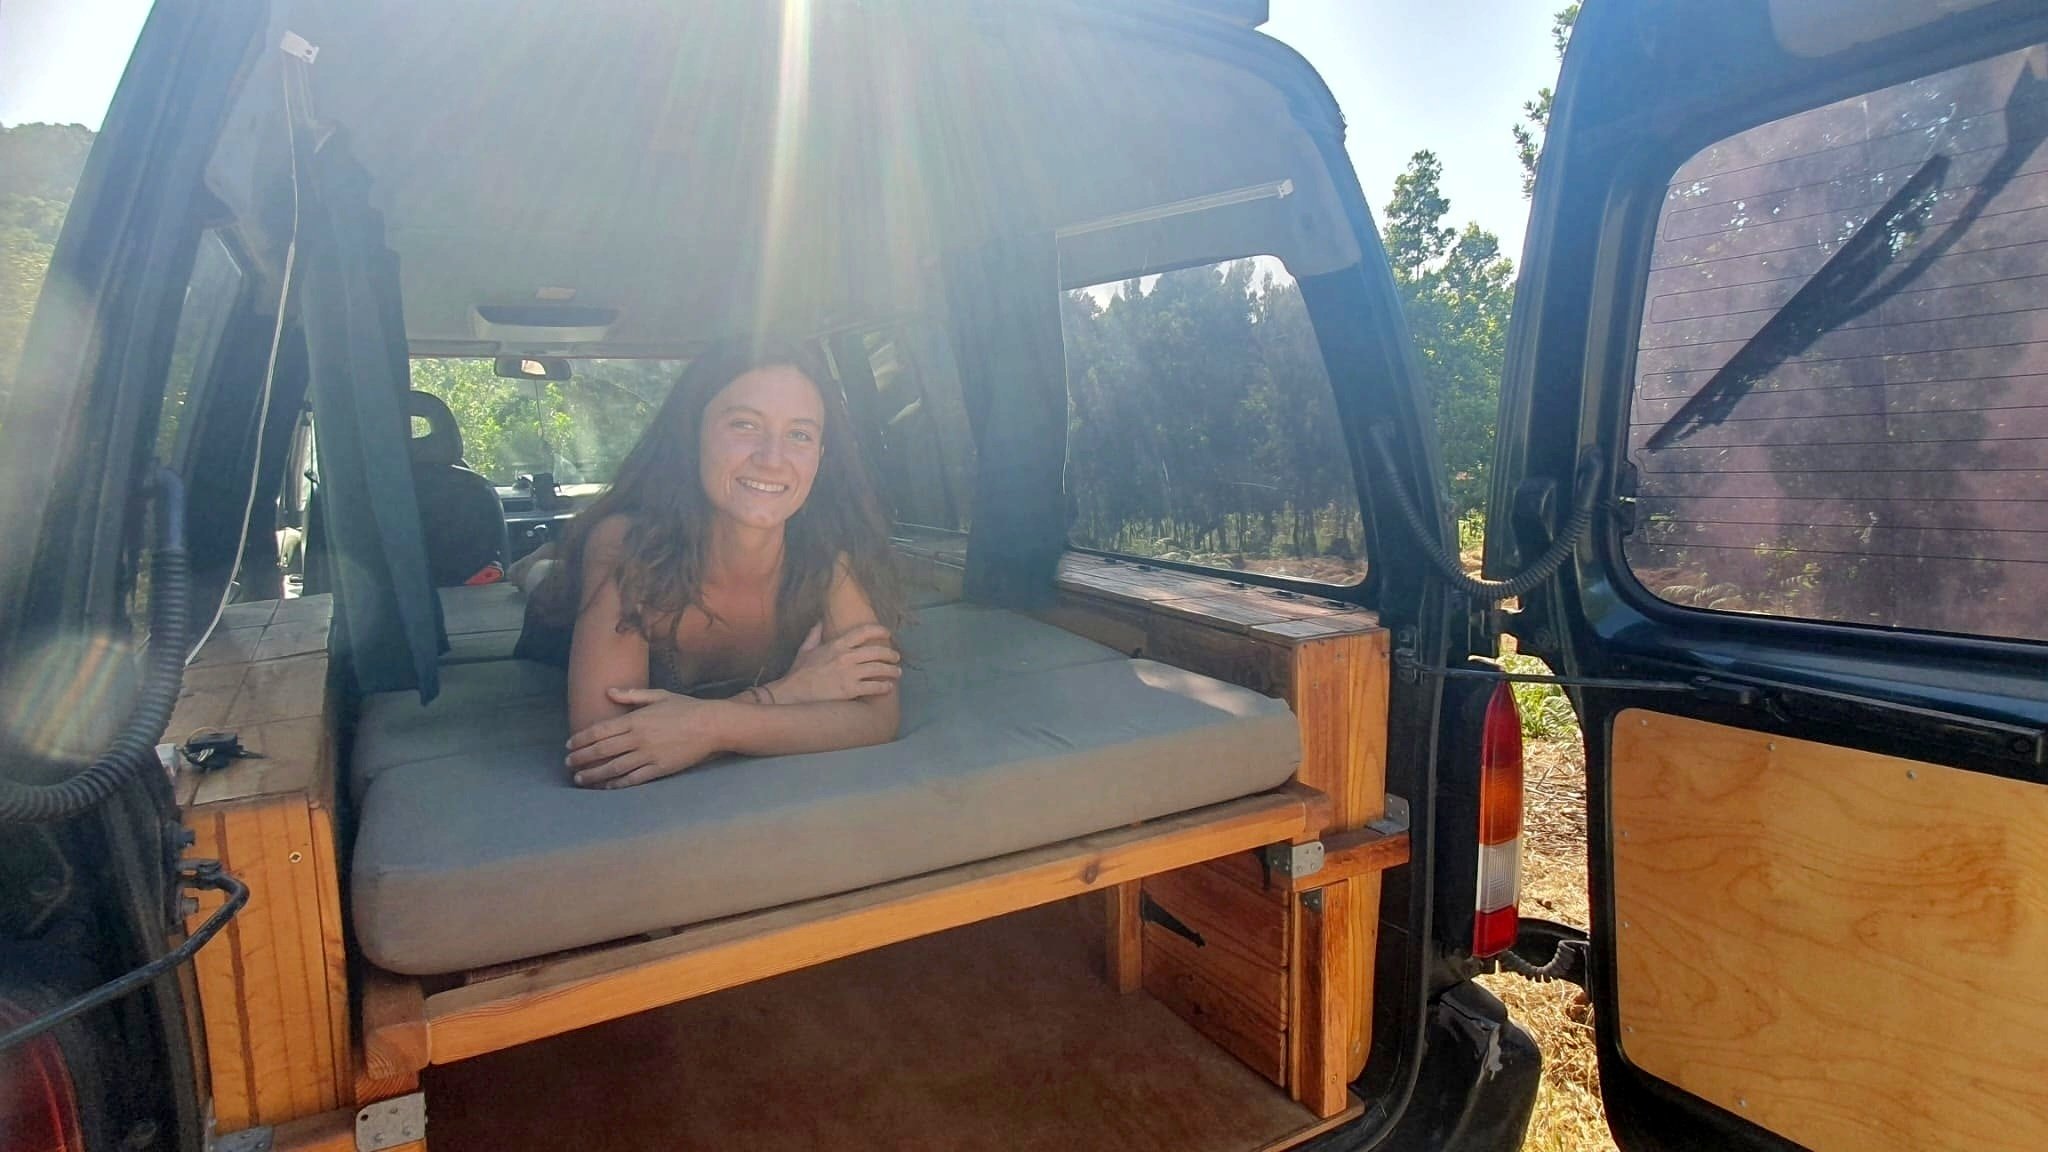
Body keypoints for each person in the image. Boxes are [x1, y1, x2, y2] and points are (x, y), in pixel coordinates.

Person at [515, 336, 905, 789]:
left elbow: (877, 717)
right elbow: (607, 746)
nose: (772, 459)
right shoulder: (629, 544)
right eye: (745, 425)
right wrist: (787, 694)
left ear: (820, 456)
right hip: (557, 623)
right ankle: (531, 565)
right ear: (693, 435)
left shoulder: (827, 560)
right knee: (544, 579)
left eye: (799, 434)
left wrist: (712, 725)